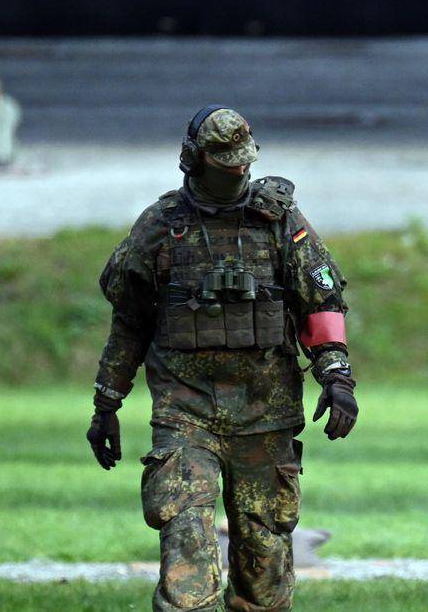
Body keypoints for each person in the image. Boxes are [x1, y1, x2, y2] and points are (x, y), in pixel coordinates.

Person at [87, 106, 358, 612]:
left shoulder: (280, 221)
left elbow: (319, 302)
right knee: (186, 550)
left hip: (265, 413)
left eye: (243, 161)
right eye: (224, 161)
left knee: (265, 563)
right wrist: (107, 403)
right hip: (185, 414)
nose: (237, 170)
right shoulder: (161, 228)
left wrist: (337, 376)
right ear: (194, 160)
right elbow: (129, 321)